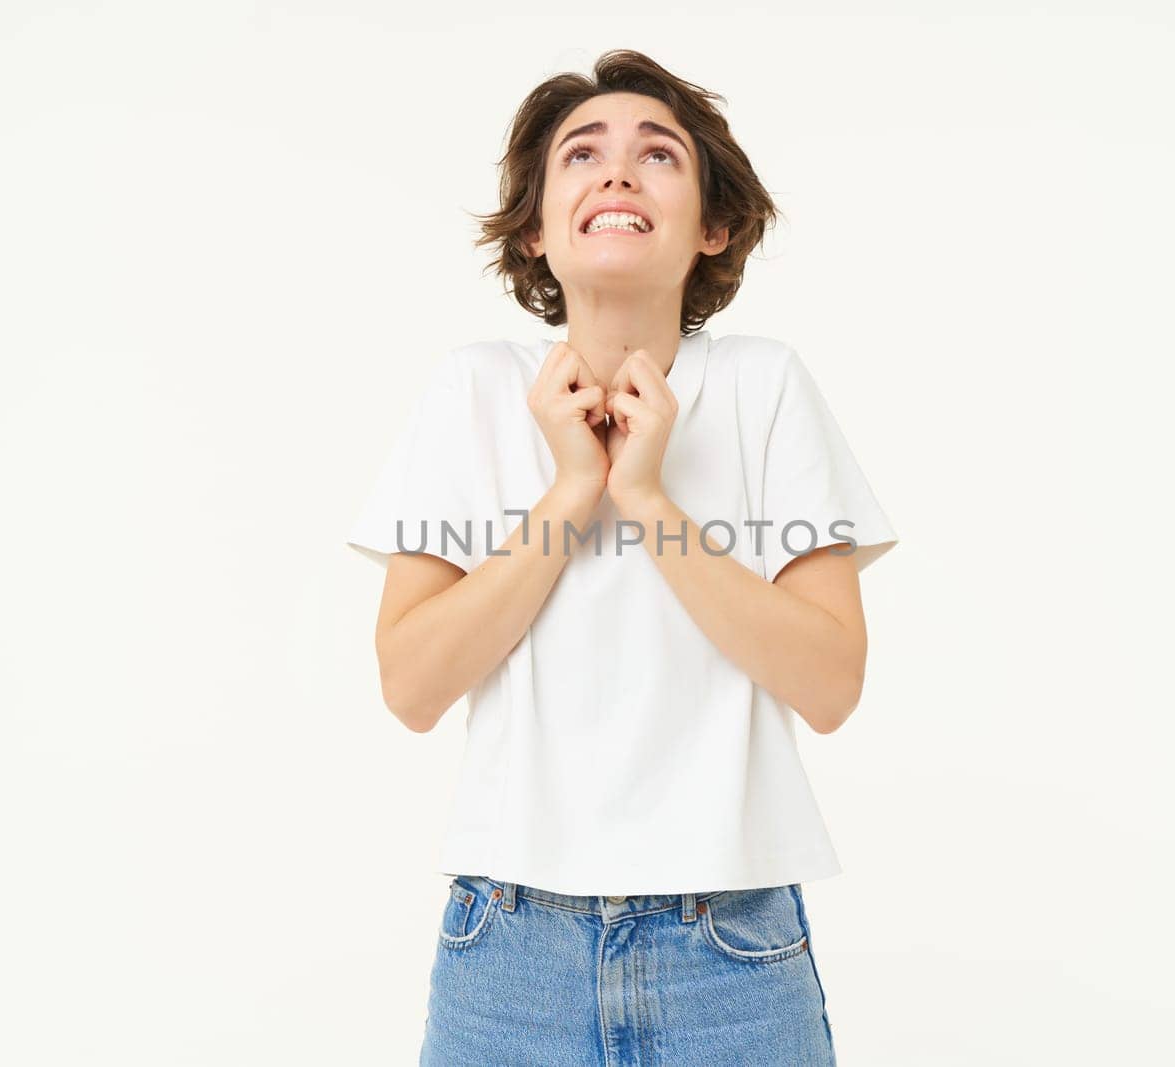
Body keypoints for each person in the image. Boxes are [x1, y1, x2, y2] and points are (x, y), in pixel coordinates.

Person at [345, 49, 900, 1066]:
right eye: (581, 155)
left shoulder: (764, 388)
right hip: (507, 948)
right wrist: (571, 492)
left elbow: (829, 683)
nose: (617, 172)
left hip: (730, 946)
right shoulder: (470, 393)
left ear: (712, 225)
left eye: (658, 155)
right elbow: (412, 684)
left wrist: (645, 495)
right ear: (534, 227)